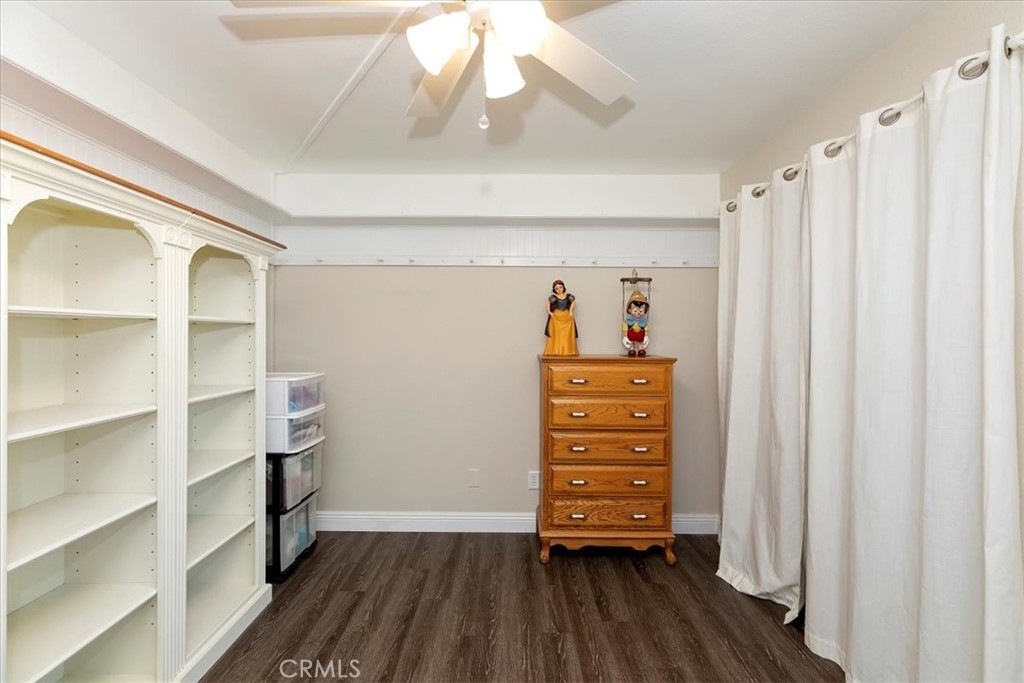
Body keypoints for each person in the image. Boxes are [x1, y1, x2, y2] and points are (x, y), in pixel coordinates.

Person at [543, 280, 578, 356]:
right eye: (557, 288)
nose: (559, 289)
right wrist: (549, 312)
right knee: (556, 334)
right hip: (556, 317)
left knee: (567, 335)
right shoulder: (553, 297)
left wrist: (571, 311)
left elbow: (573, 302)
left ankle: (568, 350)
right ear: (554, 290)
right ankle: (556, 350)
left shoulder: (568, 296)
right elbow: (548, 302)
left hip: (567, 317)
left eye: (560, 287)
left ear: (563, 287)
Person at [623, 290, 649, 357]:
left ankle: (641, 348)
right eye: (635, 310)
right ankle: (631, 348)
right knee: (630, 342)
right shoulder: (627, 321)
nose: (638, 313)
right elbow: (625, 329)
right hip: (631, 335)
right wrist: (625, 337)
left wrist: (646, 336)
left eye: (641, 311)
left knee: (641, 342)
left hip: (640, 335)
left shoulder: (644, 321)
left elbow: (646, 329)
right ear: (629, 310)